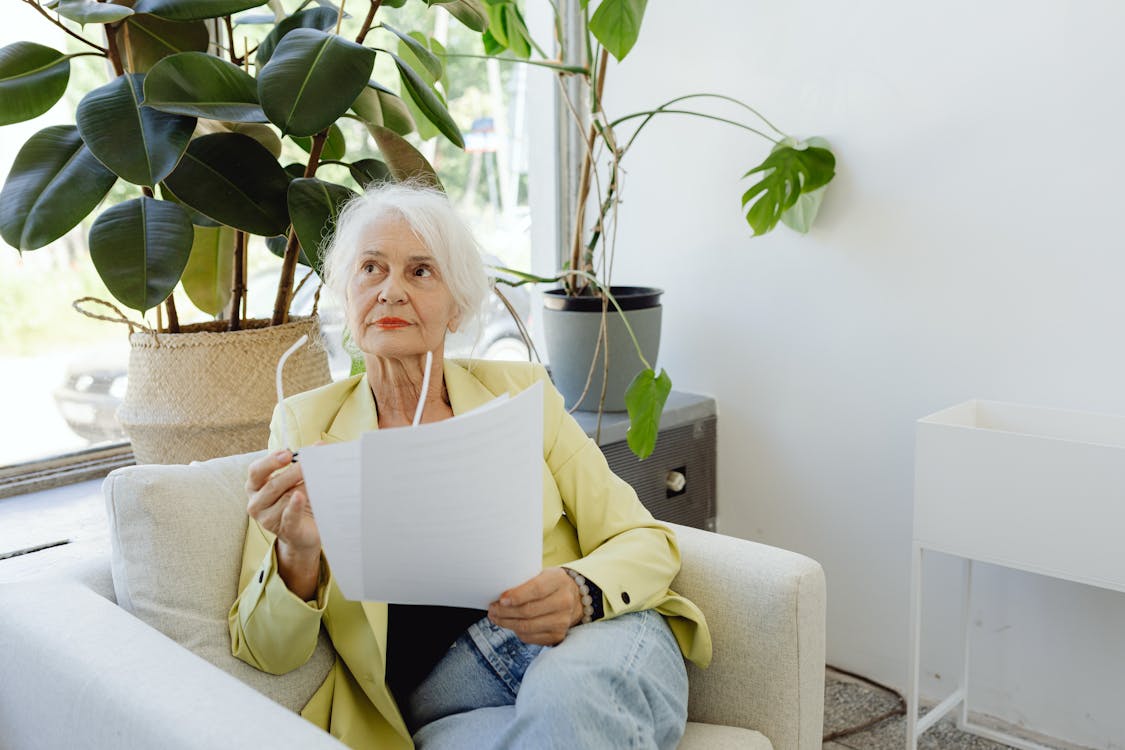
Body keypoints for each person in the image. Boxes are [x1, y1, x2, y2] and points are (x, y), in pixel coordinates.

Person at [228, 181, 712, 750]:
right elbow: (266, 650)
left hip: (587, 640)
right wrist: (297, 552)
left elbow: (644, 540)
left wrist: (581, 589)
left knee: (568, 697)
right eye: (371, 269)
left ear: (456, 306)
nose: (390, 292)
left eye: (420, 272)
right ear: (346, 297)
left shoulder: (522, 393)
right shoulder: (303, 426)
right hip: (450, 698)